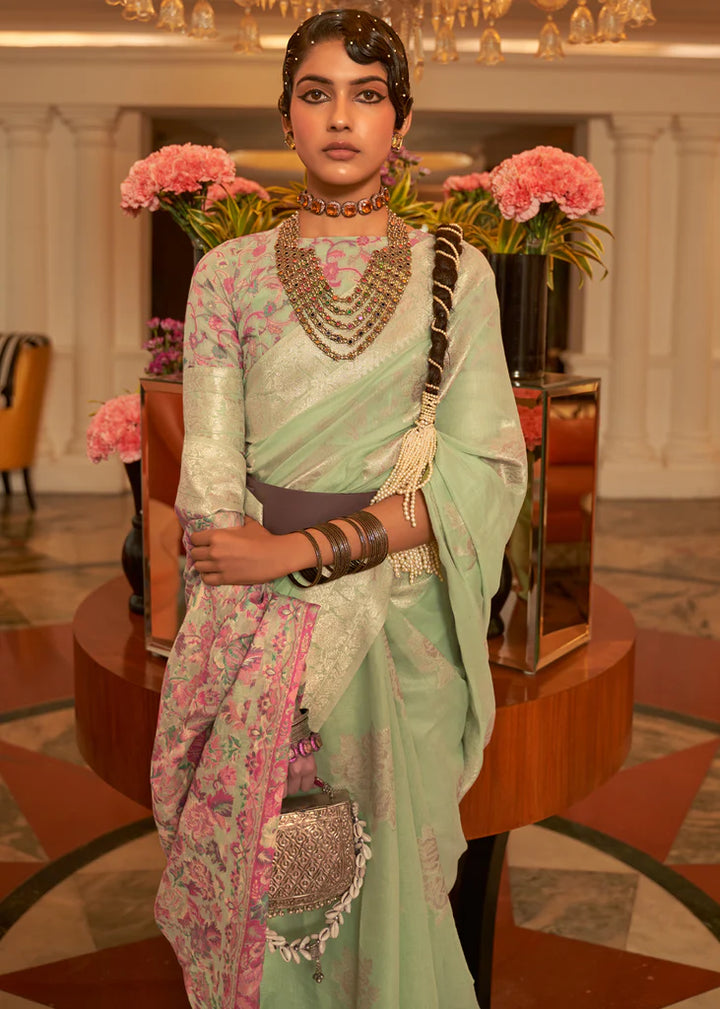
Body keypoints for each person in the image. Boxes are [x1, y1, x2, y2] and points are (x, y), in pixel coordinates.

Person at [150, 9, 526, 1008]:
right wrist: (252, 582)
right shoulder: (227, 274)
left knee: (386, 892)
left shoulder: (459, 276)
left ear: (400, 118)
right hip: (262, 630)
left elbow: (483, 473)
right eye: (317, 93)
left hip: (399, 628)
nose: (341, 117)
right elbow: (213, 478)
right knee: (280, 894)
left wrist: (303, 552)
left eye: (367, 95)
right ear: (287, 117)